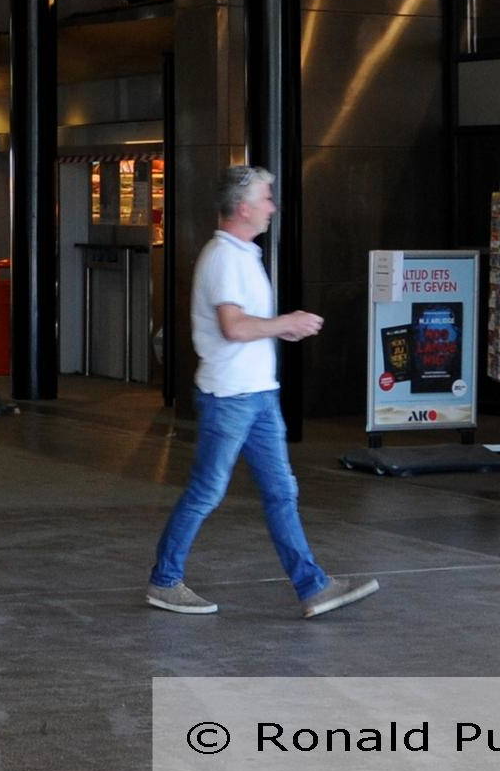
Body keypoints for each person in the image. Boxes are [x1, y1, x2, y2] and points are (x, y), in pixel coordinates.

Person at [144, 165, 379, 619]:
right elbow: (233, 327)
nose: (273, 207)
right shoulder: (225, 258)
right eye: (267, 198)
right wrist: (285, 324)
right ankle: (164, 580)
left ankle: (313, 586)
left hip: (256, 395)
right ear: (244, 207)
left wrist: (277, 330)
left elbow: (243, 326)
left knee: (280, 492)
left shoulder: (243, 254)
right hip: (230, 397)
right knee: (208, 492)